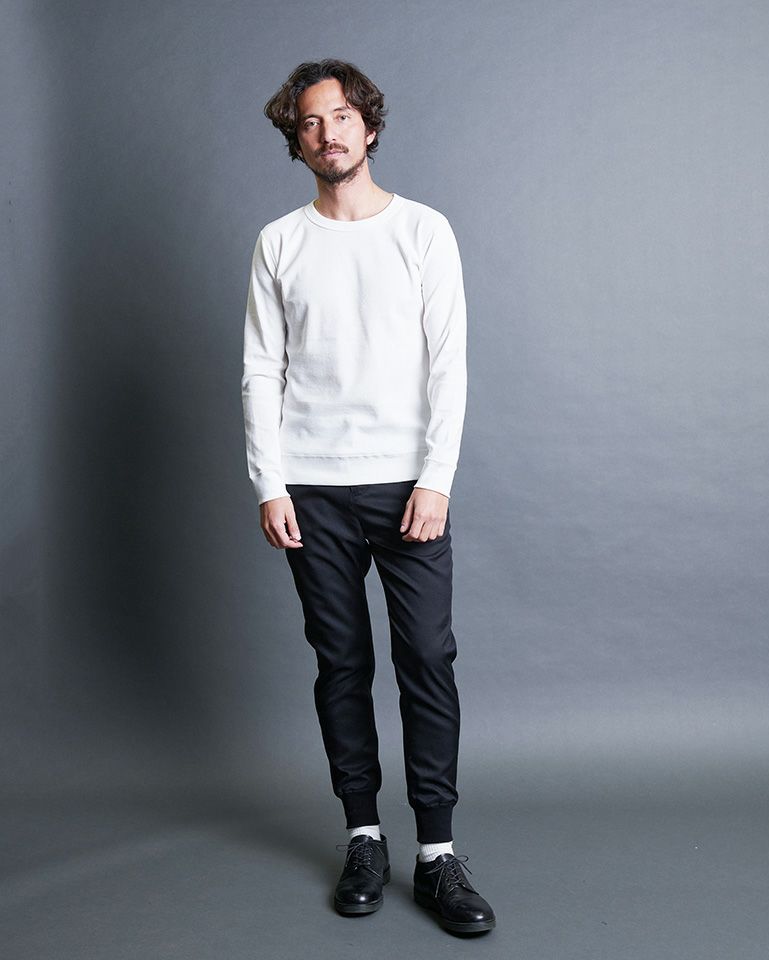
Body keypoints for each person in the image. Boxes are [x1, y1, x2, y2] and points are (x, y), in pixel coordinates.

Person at [241, 58, 495, 935]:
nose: (328, 132)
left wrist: (436, 478)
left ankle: (437, 855)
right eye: (311, 121)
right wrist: (269, 483)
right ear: (297, 138)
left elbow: (449, 365)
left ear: (370, 127)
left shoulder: (424, 231)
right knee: (341, 664)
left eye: (342, 116)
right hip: (311, 490)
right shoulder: (279, 241)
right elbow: (260, 368)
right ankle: (363, 836)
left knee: (426, 658)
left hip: (405, 487)